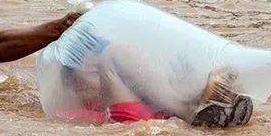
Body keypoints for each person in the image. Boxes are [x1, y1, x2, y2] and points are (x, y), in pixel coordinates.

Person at [58, 36, 253, 127]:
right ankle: (190, 110)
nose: (103, 80)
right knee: (113, 53)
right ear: (71, 83)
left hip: (161, 123)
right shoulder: (70, 114)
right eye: (95, 72)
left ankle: (210, 105)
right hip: (125, 124)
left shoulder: (142, 93)